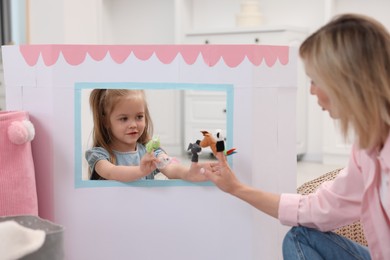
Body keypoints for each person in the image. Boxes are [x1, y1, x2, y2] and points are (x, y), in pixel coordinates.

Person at [204, 14, 390, 260]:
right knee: (300, 236)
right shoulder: (365, 150)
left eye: (315, 81)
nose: (311, 91)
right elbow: (316, 209)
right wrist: (236, 188)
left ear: (346, 81)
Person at [85, 89, 209, 182]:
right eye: (124, 119)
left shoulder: (150, 151)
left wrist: (188, 173)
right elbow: (112, 172)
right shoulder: (99, 155)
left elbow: (170, 168)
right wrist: (140, 171)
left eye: (139, 117)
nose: (133, 124)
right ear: (106, 121)